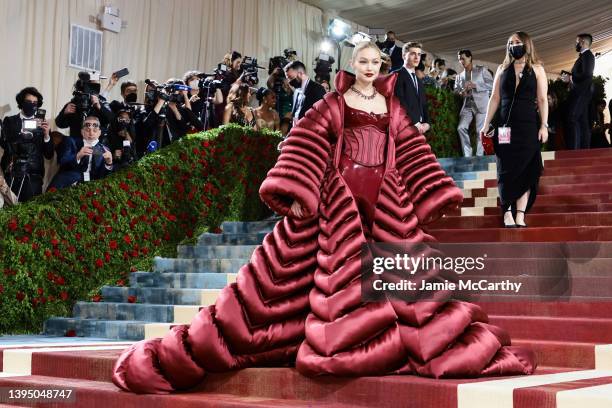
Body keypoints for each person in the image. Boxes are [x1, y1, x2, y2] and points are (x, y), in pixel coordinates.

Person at [112, 40, 535, 394]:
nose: (370, 68)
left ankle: (377, 339)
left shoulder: (392, 106)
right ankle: (295, 338)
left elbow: (409, 147)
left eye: (375, 63)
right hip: (338, 197)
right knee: (285, 281)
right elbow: (306, 138)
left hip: (384, 199)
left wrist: (433, 191)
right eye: (364, 62)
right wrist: (299, 190)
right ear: (354, 64)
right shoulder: (334, 101)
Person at [480, 31, 548, 228]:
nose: (514, 45)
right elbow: (494, 98)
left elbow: (543, 100)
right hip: (504, 127)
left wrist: (543, 125)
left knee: (527, 168)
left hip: (528, 126)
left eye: (518, 42)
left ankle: (520, 214)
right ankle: (507, 212)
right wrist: (485, 125)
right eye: (511, 43)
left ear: (527, 44)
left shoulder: (537, 69)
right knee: (506, 169)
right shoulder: (502, 69)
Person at [0, 87, 54, 202]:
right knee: (9, 207)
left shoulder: (42, 125)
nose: (32, 105)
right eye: (28, 102)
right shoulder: (10, 121)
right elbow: (5, 144)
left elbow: (49, 155)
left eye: (35, 103)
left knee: (31, 210)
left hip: (33, 173)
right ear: (21, 103)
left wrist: (46, 135)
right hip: (13, 170)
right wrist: (21, 134)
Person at [48, 116, 113, 190]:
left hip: (91, 188)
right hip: (68, 184)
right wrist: (78, 156)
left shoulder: (104, 149)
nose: (91, 133)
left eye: (94, 131)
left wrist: (109, 163)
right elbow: (62, 161)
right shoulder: (71, 141)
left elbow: (103, 176)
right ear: (82, 132)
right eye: (88, 130)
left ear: (99, 133)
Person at [455, 49, 494, 157]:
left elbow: (492, 86)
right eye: (459, 59)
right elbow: (456, 91)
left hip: (482, 105)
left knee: (479, 131)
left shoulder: (482, 70)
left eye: (463, 58)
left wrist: (476, 86)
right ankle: (467, 155)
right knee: (461, 128)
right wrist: (462, 92)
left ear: (470, 57)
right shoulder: (459, 76)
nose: (461, 61)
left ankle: (479, 156)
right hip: (467, 106)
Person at [564, 33, 595, 149]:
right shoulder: (583, 56)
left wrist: (572, 77)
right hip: (580, 91)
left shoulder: (588, 55)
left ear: (582, 42)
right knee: (582, 121)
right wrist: (570, 78)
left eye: (577, 41)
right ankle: (583, 149)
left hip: (582, 92)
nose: (575, 44)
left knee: (573, 118)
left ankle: (575, 149)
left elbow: (587, 73)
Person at [393, 42, 430, 135]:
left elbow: (424, 104)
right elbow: (399, 101)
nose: (417, 57)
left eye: (419, 54)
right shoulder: (397, 75)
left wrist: (427, 123)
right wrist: (416, 122)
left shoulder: (419, 80)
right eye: (413, 54)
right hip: (405, 126)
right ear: (404, 55)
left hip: (420, 128)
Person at [284, 60, 326, 125]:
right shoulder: (296, 92)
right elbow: (295, 114)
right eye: (288, 78)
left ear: (300, 74)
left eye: (290, 77)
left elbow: (320, 116)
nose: (289, 81)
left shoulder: (317, 89)